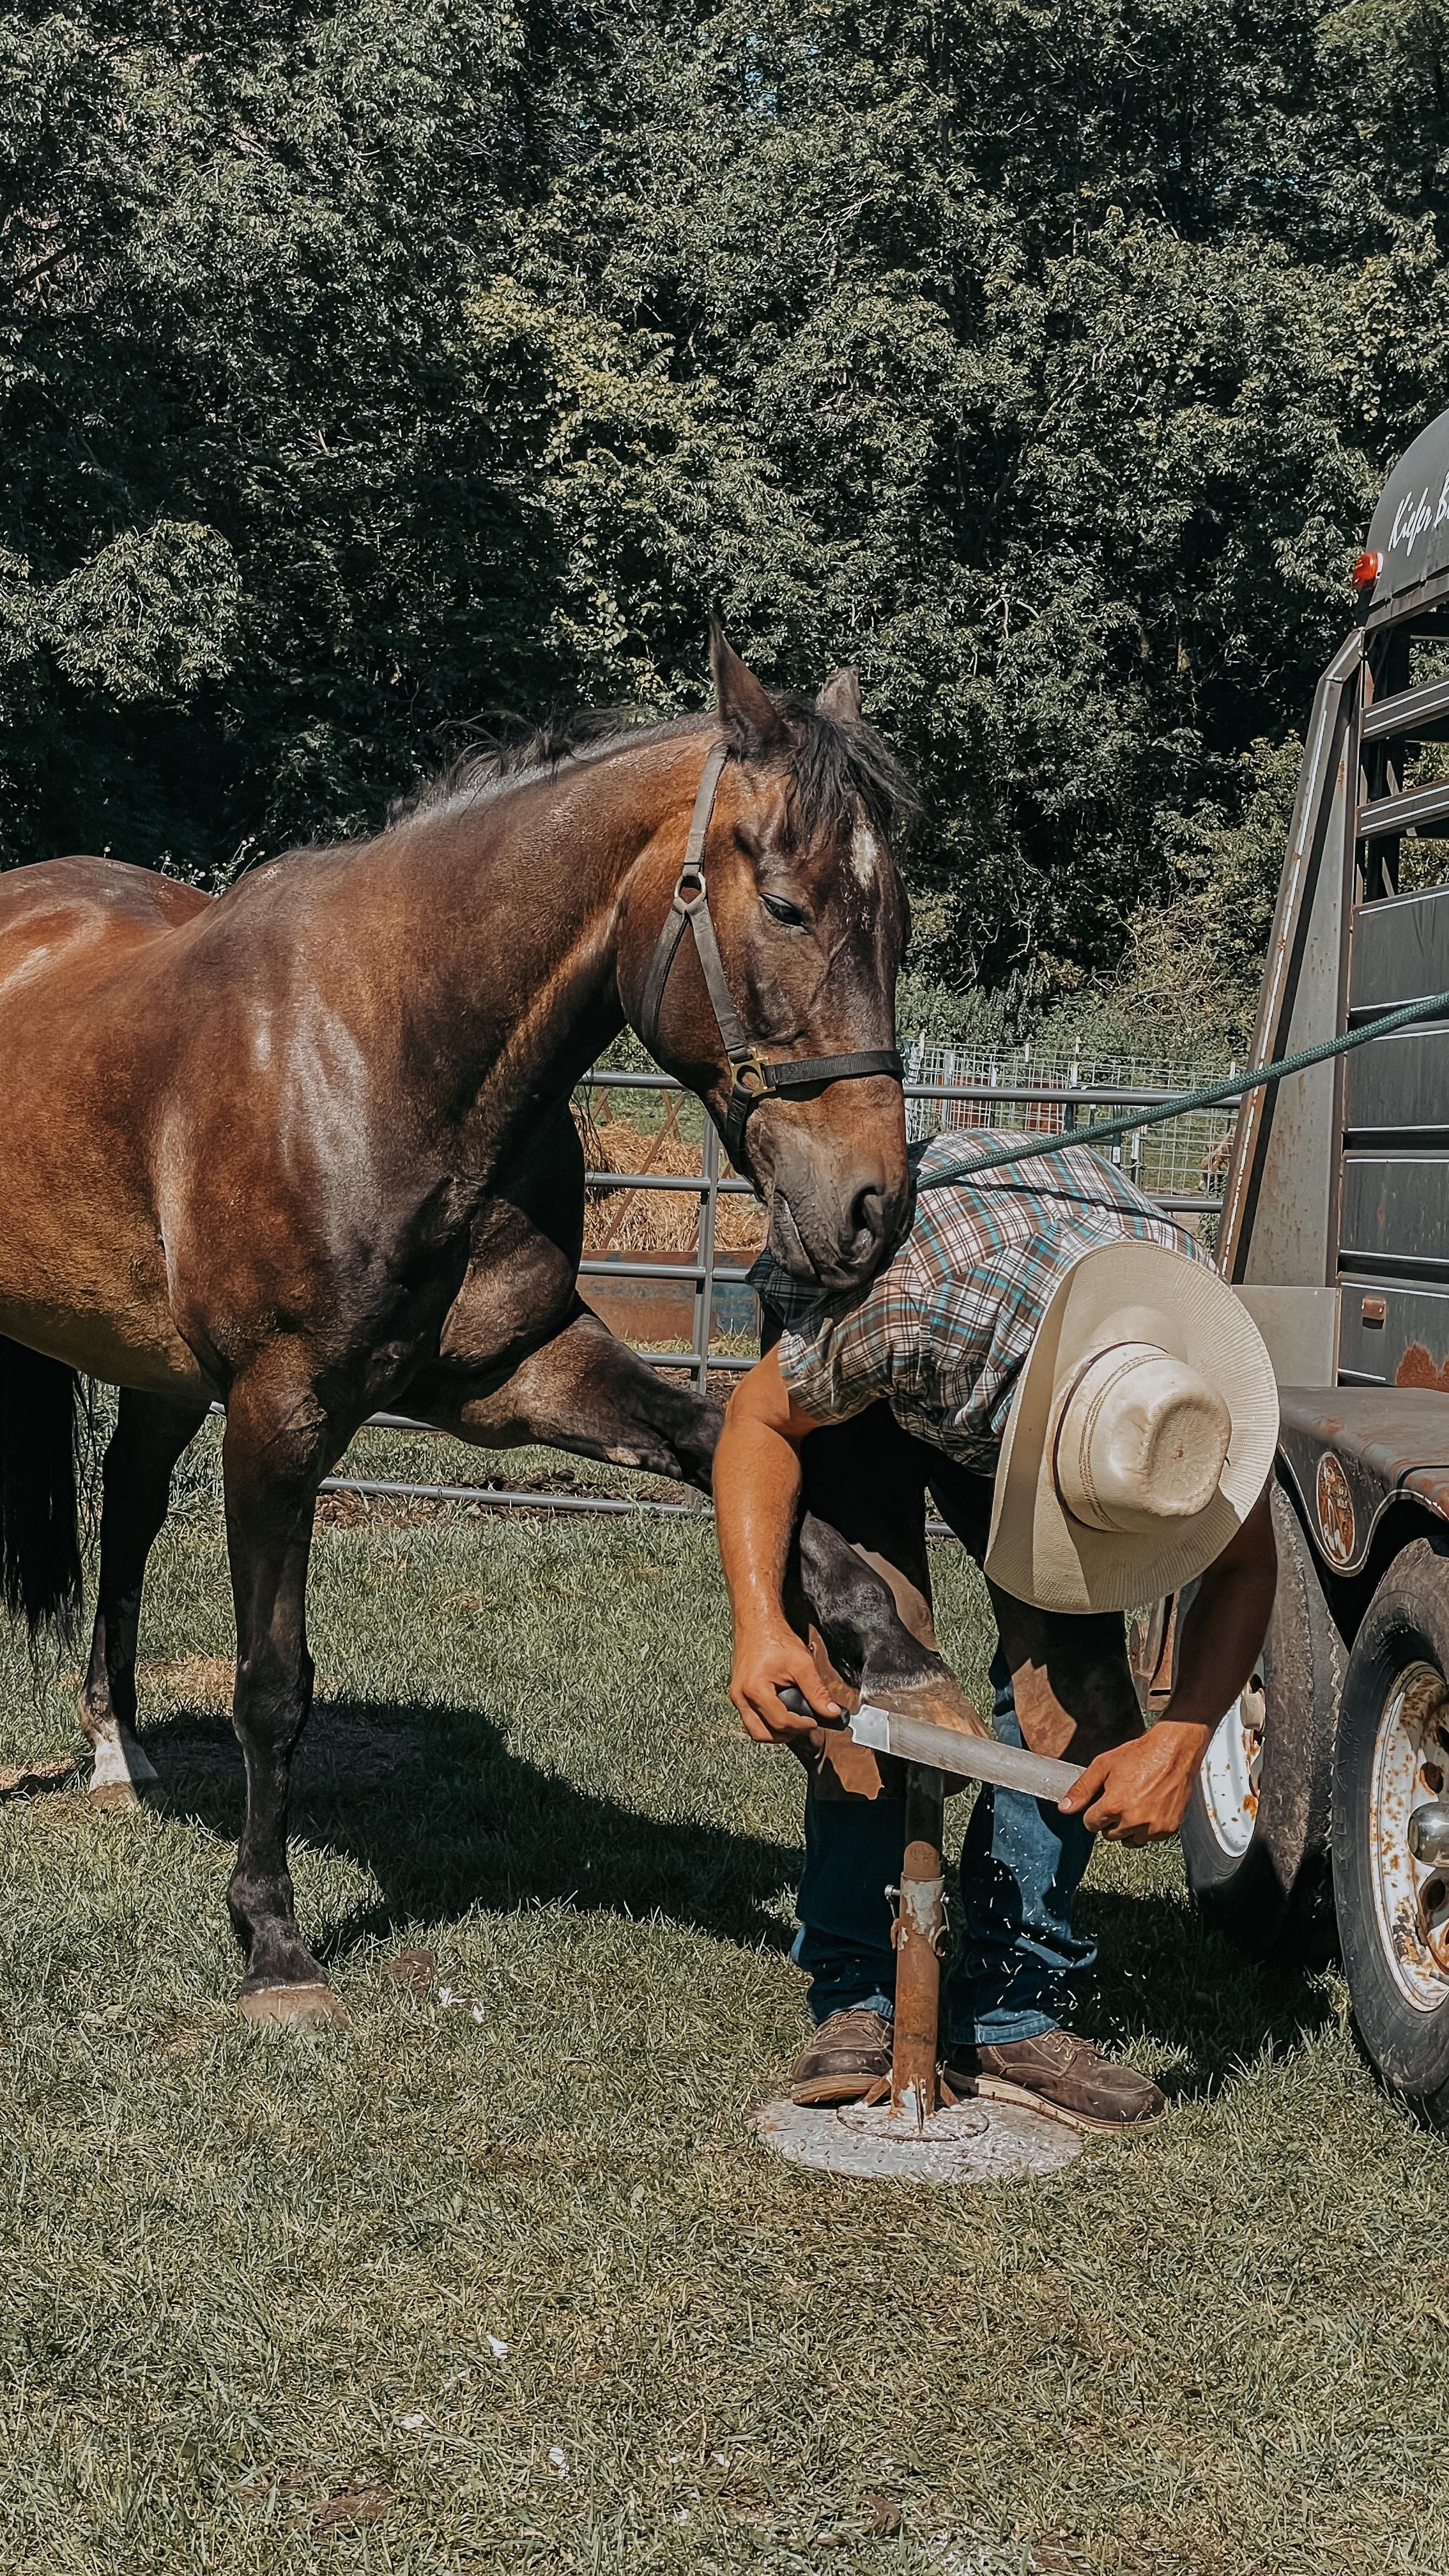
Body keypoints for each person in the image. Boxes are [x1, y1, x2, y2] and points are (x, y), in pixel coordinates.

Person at [712, 1128, 1279, 2133]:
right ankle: (858, 1987)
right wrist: (762, 1623)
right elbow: (757, 1424)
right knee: (875, 1670)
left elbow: (1245, 1568)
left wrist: (1183, 1740)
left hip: (1045, 1376)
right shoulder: (918, 1315)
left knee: (1080, 1682)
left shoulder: (1193, 1392)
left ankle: (1012, 2005)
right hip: (876, 1343)